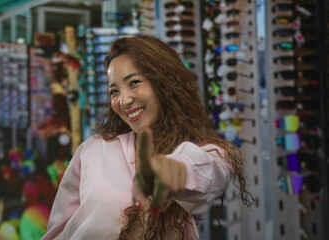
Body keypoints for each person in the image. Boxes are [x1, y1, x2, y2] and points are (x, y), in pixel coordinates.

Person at [41, 36, 252, 240]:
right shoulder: (92, 149)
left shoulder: (210, 153)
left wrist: (174, 173)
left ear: (165, 83)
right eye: (114, 91)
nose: (123, 100)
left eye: (134, 82)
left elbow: (206, 170)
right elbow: (58, 229)